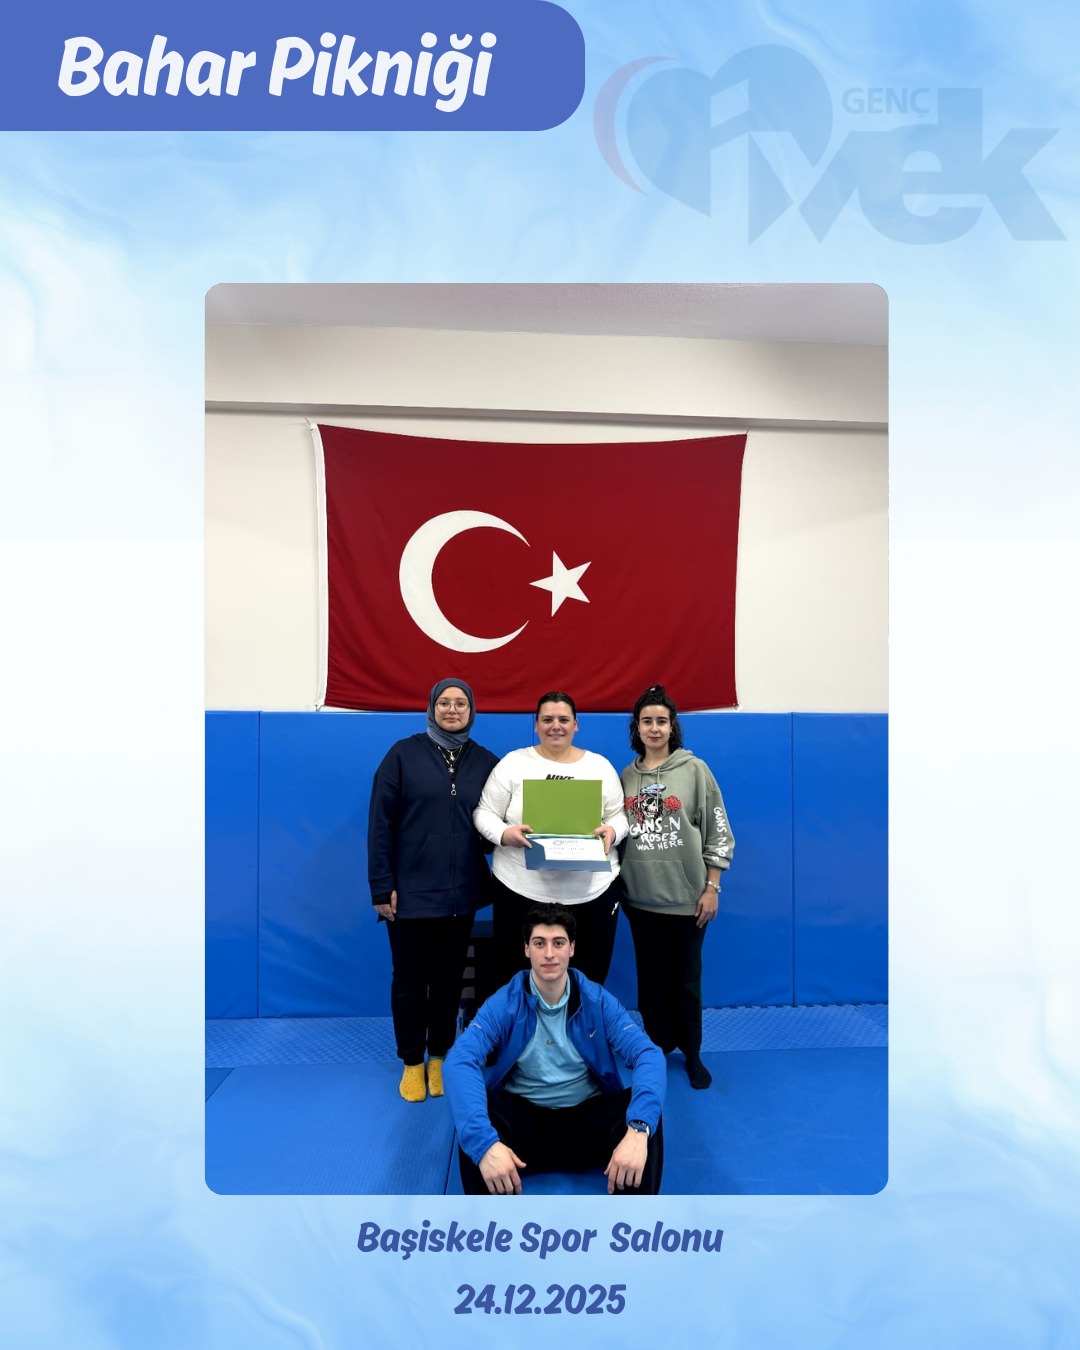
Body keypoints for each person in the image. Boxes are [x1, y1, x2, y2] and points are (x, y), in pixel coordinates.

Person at [444, 903, 665, 1195]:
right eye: (539, 943)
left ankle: (635, 1218)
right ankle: (488, 1218)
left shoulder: (597, 1000)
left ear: (571, 948)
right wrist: (484, 1145)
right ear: (526, 949)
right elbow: (459, 1061)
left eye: (558, 943)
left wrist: (637, 1131)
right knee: (473, 1115)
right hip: (523, 1125)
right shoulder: (505, 1001)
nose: (549, 953)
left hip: (587, 1121)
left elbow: (648, 1054)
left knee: (645, 1118)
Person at [367, 678, 499, 1103]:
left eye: (461, 703)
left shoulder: (486, 762)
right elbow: (380, 825)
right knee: (409, 980)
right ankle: (411, 1060)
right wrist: (381, 886)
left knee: (448, 979)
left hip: (461, 894)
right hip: (408, 895)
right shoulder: (402, 755)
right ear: (431, 708)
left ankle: (440, 1055)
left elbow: (497, 823)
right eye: (444, 702)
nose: (452, 709)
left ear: (472, 710)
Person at [620, 684, 735, 1090]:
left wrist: (712, 887)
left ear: (673, 727)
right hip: (639, 900)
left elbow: (718, 830)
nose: (654, 728)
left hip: (687, 901)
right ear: (637, 727)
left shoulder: (695, 770)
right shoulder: (627, 776)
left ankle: (692, 1052)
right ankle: (656, 1047)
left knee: (685, 980)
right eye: (647, 721)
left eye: (661, 721)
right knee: (650, 982)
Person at [473, 691, 628, 987]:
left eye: (563, 719)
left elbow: (618, 816)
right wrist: (504, 834)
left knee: (588, 980)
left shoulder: (599, 766)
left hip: (591, 893)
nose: (555, 726)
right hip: (520, 889)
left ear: (576, 724)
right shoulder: (513, 764)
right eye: (547, 719)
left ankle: (578, 1020)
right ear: (536, 725)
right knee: (517, 978)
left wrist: (613, 831)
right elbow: (484, 812)